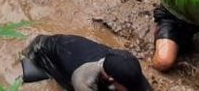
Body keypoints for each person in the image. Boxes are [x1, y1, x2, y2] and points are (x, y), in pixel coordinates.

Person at [19, 34, 152, 91]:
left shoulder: (126, 68)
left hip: (71, 47)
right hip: (42, 51)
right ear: (110, 79)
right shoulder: (83, 82)